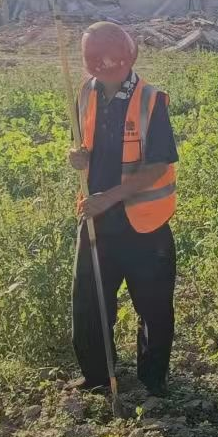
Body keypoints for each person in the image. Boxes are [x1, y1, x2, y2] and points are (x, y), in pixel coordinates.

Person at [67, 22, 179, 394]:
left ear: (130, 58)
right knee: (90, 302)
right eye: (96, 61)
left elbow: (158, 165)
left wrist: (111, 197)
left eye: (112, 61)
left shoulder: (151, 99)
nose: (104, 68)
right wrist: (80, 157)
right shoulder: (85, 92)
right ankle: (98, 375)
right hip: (97, 218)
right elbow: (87, 145)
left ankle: (153, 381)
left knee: (153, 306)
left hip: (144, 223)